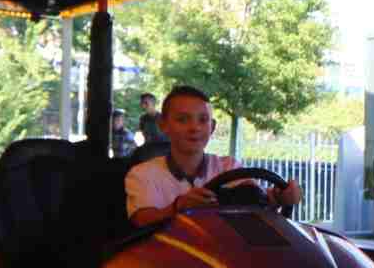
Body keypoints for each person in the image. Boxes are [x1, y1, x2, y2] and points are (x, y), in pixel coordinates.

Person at [124, 85, 299, 225]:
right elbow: (141, 220)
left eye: (203, 120)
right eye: (182, 119)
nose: (194, 128)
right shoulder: (142, 174)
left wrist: (279, 198)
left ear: (212, 127)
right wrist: (178, 207)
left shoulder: (229, 167)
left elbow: (254, 199)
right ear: (163, 125)